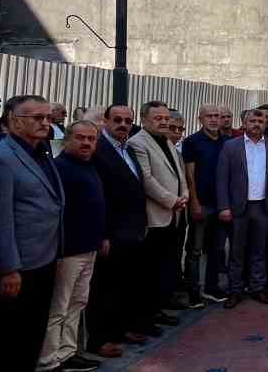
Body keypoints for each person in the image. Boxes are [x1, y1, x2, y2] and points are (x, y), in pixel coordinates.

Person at [0, 96, 65, 372]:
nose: (45, 123)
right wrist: (8, 268)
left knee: (31, 333)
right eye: (36, 118)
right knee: (7, 338)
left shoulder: (41, 153)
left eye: (47, 117)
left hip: (43, 257)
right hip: (16, 266)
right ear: (14, 121)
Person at [39, 120, 106, 372]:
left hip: (88, 247)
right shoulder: (60, 169)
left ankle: (67, 353)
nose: (87, 143)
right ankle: (48, 364)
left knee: (77, 302)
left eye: (91, 138)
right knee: (58, 308)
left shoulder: (89, 166)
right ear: (66, 139)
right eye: (80, 138)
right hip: (67, 251)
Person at [90, 105, 150, 351]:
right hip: (111, 232)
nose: (123, 124)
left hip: (132, 230)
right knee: (104, 287)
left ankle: (121, 329)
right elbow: (98, 195)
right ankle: (101, 338)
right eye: (117, 120)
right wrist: (102, 234)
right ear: (105, 121)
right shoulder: (98, 150)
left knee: (126, 284)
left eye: (128, 120)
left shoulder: (128, 149)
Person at [217, 106, 268, 307]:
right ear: (244, 124)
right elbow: (222, 179)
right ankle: (235, 290)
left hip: (264, 206)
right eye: (252, 122)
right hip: (239, 207)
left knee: (260, 250)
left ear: (266, 124)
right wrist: (224, 207)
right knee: (236, 252)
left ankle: (258, 288)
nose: (256, 125)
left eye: (260, 122)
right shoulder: (231, 146)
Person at [130, 102, 189, 329]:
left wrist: (184, 194)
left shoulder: (167, 141)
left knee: (165, 266)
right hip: (155, 216)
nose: (164, 122)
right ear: (144, 120)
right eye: (158, 118)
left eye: (166, 118)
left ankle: (159, 309)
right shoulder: (138, 143)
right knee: (149, 271)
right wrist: (171, 200)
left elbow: (180, 174)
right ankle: (146, 317)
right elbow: (146, 179)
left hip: (174, 214)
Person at [182, 105, 230, 305]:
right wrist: (194, 203)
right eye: (209, 116)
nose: (213, 120)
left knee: (217, 249)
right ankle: (194, 291)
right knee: (195, 250)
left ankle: (212, 287)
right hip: (202, 204)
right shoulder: (192, 142)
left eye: (217, 116)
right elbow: (189, 175)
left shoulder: (228, 143)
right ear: (200, 118)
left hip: (222, 205)